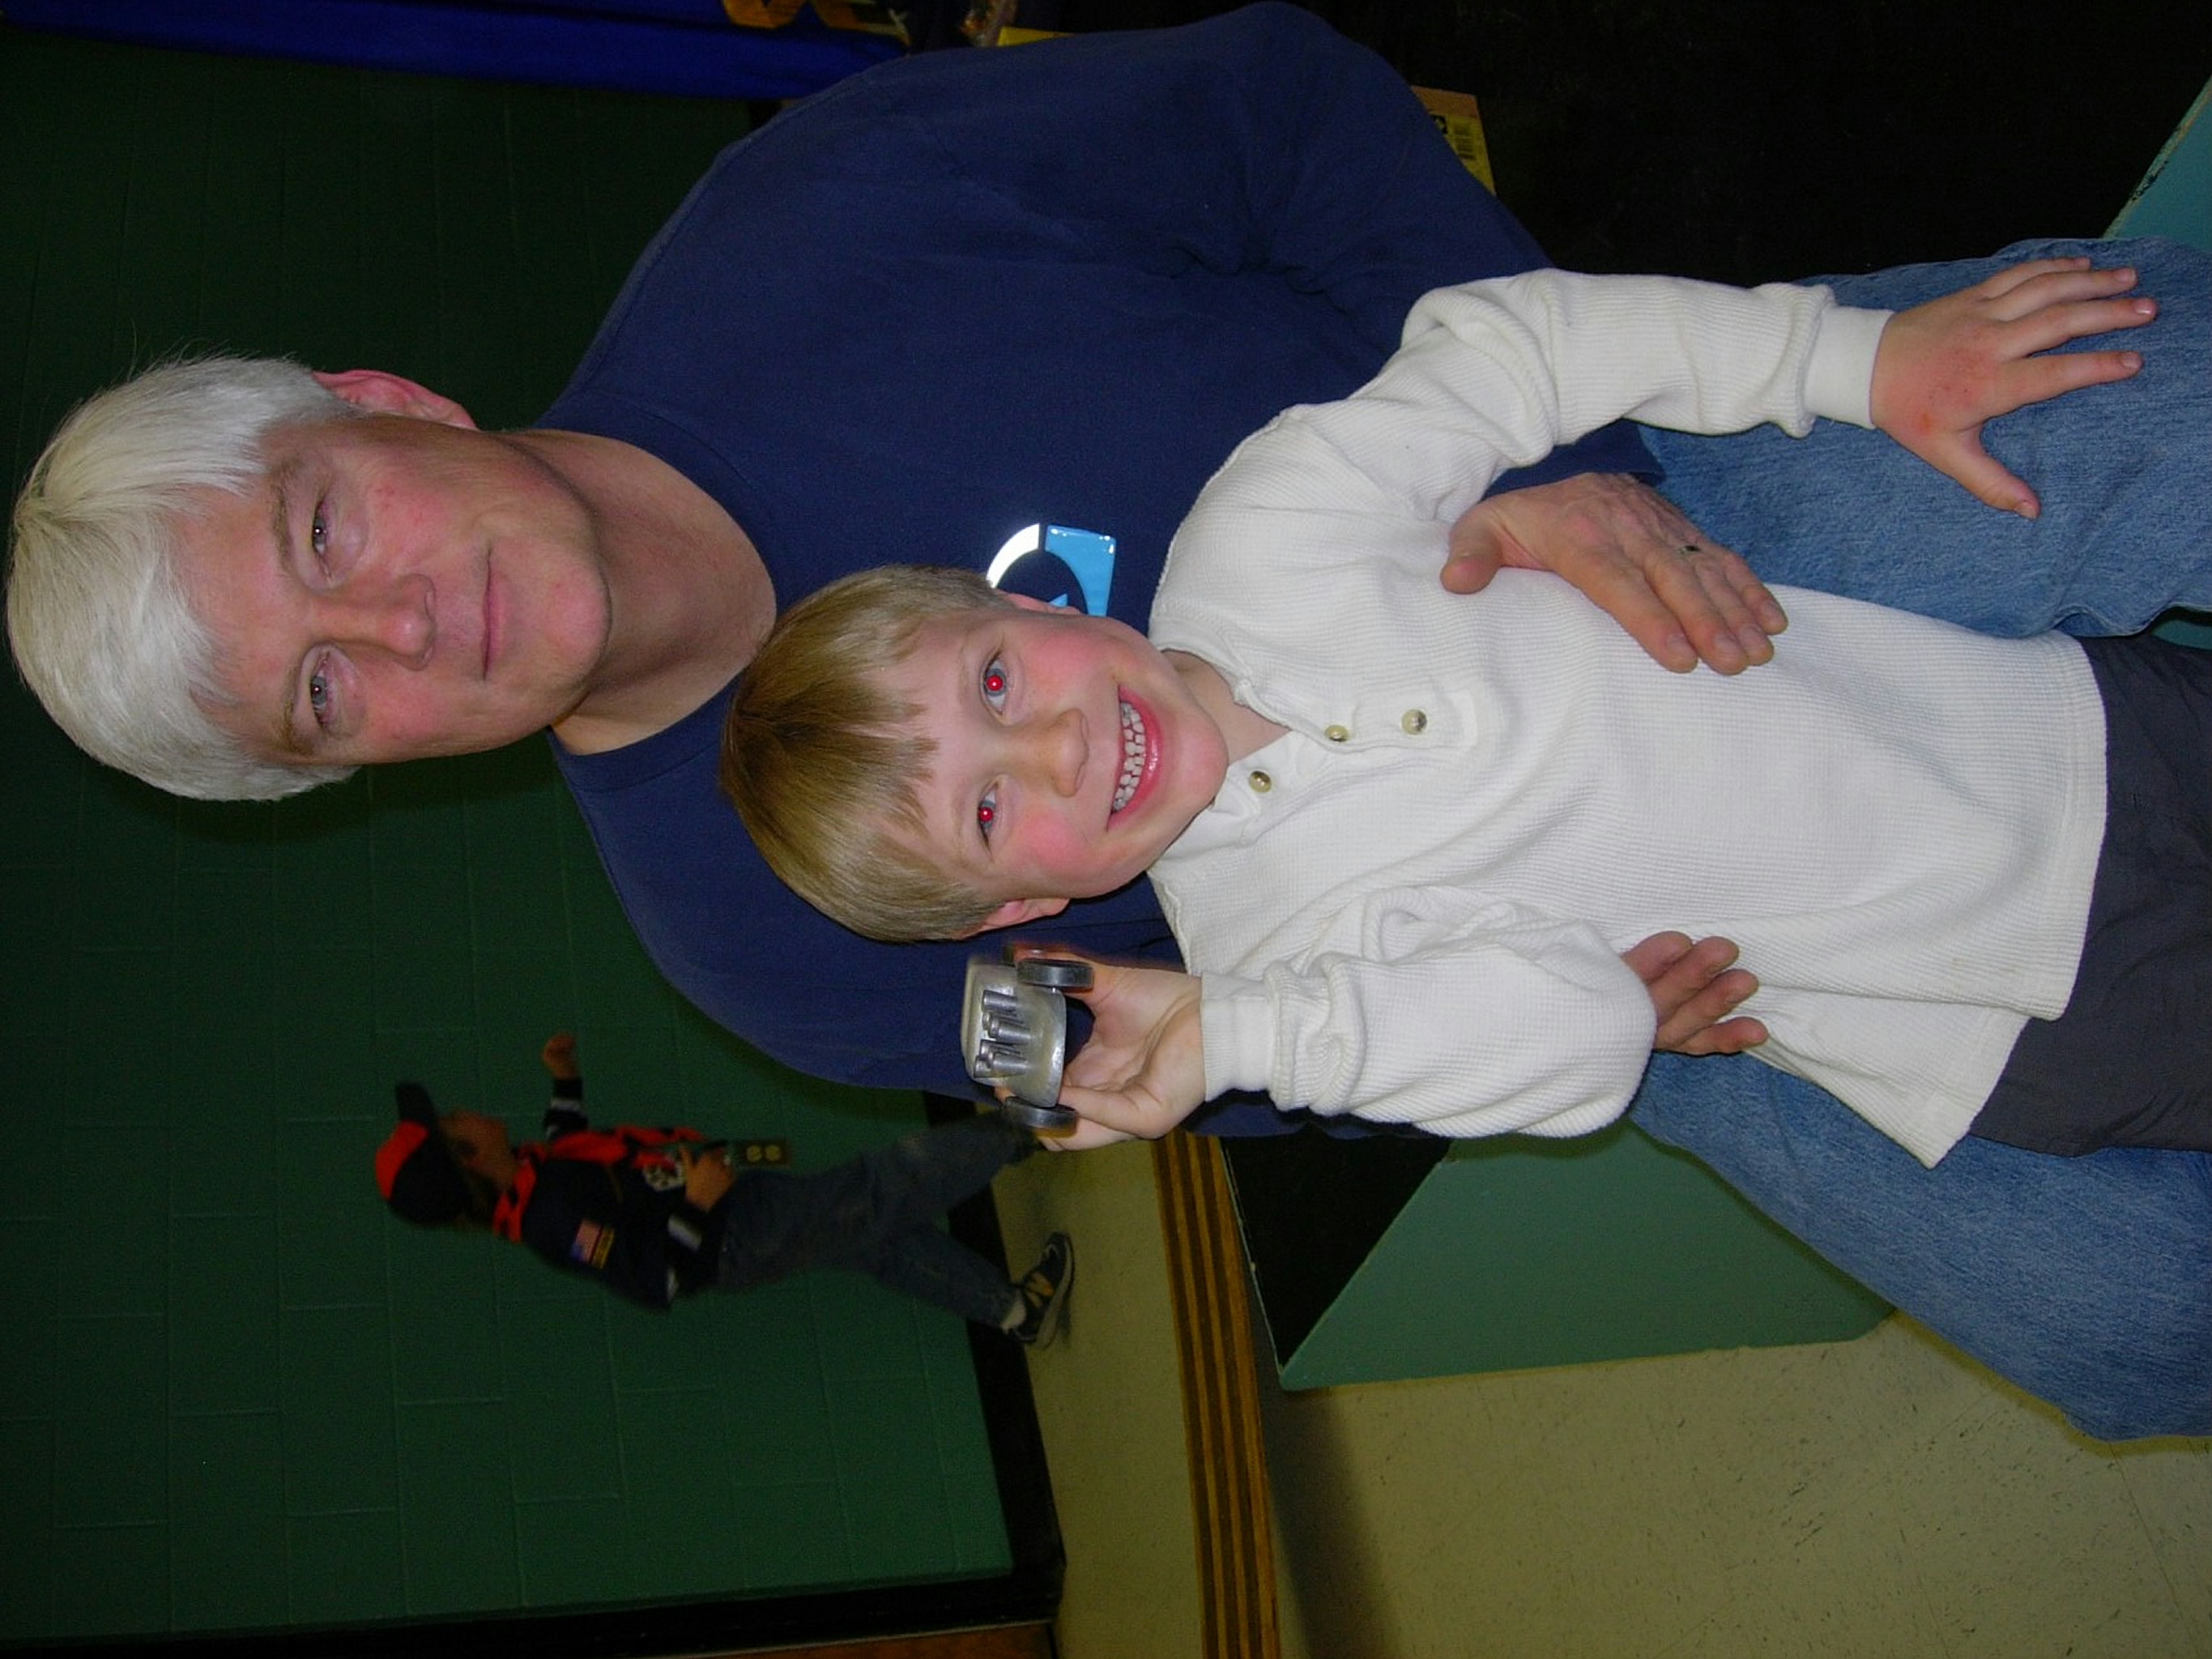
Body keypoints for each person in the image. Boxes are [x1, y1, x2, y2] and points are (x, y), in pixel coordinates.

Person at [5, 6, 2207, 1436]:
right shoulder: (758, 959)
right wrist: (1592, 1004)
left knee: (2134, 421)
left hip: (1636, 497)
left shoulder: (814, 213)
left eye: (322, 529)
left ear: (382, 407)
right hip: (1548, 923)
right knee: (2120, 1322)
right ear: (351, 769)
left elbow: (1288, 107)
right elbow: (1195, 1069)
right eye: (325, 687)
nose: (404, 620)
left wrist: (1568, 474)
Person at [721, 263, 2208, 1175]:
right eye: (991, 809)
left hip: (2058, 734)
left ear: (1034, 601)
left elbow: (1512, 347)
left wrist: (1847, 361)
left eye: (996, 683)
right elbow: (1586, 1034)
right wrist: (1236, 1033)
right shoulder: (1279, 978)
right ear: (1025, 909)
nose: (1054, 748)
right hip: (2005, 1020)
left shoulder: (1261, 535)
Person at [375, 1032, 1074, 1342]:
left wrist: (565, 1081)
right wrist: (697, 1202)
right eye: (454, 1119)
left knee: (876, 1242)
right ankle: (1027, 1130)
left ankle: (1012, 1312)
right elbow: (653, 1280)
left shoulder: (537, 1176)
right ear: (468, 1156)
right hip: (736, 1234)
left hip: (736, 1214)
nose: (464, 1110)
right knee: (878, 1188)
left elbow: (573, 1151)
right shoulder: (551, 1222)